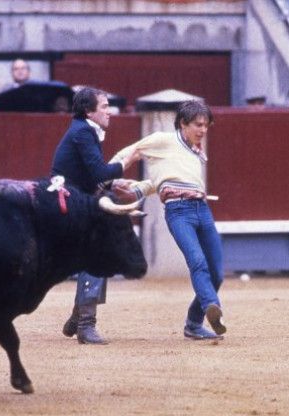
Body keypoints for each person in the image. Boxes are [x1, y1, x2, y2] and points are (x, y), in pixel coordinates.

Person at [108, 100, 227, 340]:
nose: (203, 130)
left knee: (216, 273)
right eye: (198, 125)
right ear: (183, 123)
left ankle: (193, 325)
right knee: (197, 261)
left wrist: (141, 189)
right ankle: (212, 307)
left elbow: (161, 180)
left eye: (206, 126)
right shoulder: (163, 139)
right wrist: (109, 176)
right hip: (179, 212)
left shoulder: (194, 150)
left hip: (202, 210)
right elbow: (132, 152)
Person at [51, 86, 140, 345]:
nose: (109, 111)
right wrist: (127, 162)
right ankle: (85, 323)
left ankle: (80, 317)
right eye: (103, 106)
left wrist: (113, 185)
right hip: (68, 201)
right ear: (89, 111)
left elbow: (89, 173)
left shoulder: (84, 130)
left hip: (73, 198)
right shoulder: (84, 131)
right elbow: (99, 172)